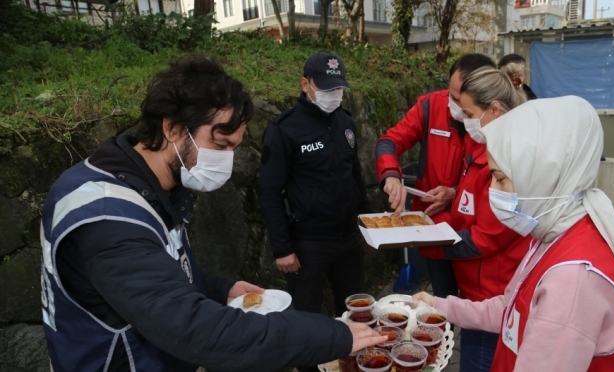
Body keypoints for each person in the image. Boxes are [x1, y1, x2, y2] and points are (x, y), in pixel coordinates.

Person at [40, 54, 385, 372]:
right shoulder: (107, 216)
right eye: (220, 146)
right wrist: (330, 335)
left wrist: (220, 288)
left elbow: (162, 272)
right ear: (173, 129)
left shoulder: (152, 187)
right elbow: (196, 330)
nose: (226, 162)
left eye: (233, 149)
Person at [414, 96, 614, 371]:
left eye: (501, 178)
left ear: (542, 175)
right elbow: (511, 307)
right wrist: (439, 305)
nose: (492, 190)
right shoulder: (554, 233)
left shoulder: (571, 282)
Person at [258, 52, 371, 332]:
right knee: (308, 321)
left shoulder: (345, 122)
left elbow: (355, 174)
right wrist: (282, 248)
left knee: (355, 312)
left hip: (348, 239)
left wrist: (369, 224)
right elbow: (269, 190)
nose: (334, 94)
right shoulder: (284, 129)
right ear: (305, 84)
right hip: (309, 243)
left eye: (338, 88)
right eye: (326, 87)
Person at [429, 66, 530, 372]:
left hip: (491, 296)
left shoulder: (509, 159)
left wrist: (429, 242)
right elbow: (471, 205)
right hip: (475, 294)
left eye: (470, 113)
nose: (465, 120)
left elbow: (487, 237)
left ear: (496, 110)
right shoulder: (485, 146)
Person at [375, 54, 495, 301]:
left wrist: (454, 192)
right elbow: (389, 141)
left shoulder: (494, 126)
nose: (453, 104)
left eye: (461, 101)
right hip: (432, 226)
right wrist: (391, 176)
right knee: (442, 298)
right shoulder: (430, 107)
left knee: (476, 304)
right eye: (451, 95)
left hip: (474, 236)